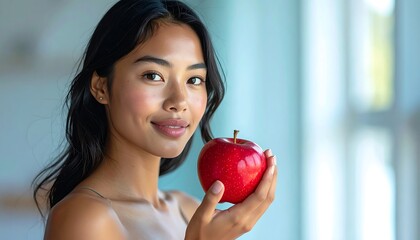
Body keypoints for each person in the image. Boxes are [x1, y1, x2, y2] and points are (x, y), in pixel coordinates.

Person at [32, 0, 277, 239]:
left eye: (193, 80)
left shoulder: (188, 210)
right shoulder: (83, 218)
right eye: (153, 75)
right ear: (101, 87)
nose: (179, 100)